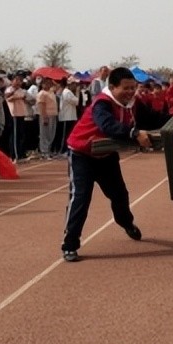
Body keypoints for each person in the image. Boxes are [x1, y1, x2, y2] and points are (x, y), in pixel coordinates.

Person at [62, 67, 152, 262]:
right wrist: (134, 134)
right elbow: (107, 125)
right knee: (81, 197)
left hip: (107, 155)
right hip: (82, 155)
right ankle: (70, 244)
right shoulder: (101, 103)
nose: (130, 92)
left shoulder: (134, 103)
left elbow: (153, 118)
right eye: (126, 88)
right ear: (112, 87)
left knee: (120, 195)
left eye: (133, 88)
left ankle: (126, 223)